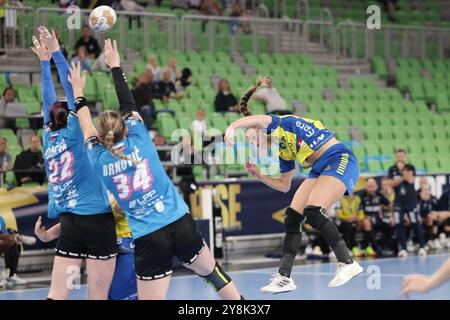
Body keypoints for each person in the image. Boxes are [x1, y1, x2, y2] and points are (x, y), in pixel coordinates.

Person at [68, 39, 243, 300]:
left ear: (103, 136)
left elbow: (86, 126)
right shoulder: (140, 137)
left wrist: (78, 93)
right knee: (213, 274)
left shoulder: (98, 158)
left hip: (149, 238)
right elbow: (128, 103)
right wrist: (115, 66)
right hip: (180, 223)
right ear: (125, 128)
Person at [225, 76, 363, 294]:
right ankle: (284, 278)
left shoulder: (282, 124)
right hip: (319, 168)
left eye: (253, 138)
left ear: (262, 130)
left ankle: (347, 262)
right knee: (293, 216)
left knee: (313, 211)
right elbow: (284, 185)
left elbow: (259, 120)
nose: (253, 143)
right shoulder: (284, 151)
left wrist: (232, 128)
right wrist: (259, 174)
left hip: (339, 158)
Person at [31, 26, 116, 300]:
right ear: (71, 116)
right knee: (98, 295)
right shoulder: (75, 132)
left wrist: (44, 64)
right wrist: (56, 53)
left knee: (57, 294)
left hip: (70, 224)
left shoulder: (49, 136)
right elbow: (70, 88)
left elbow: (47, 102)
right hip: (97, 221)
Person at [35, 195, 138, 300]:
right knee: (103, 294)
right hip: (101, 244)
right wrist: (47, 235)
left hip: (125, 246)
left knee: (118, 293)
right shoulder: (90, 190)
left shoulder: (121, 184)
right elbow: (80, 219)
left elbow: (122, 206)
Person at [386, 149, 426, 257]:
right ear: (395, 157)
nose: (400, 158)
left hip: (411, 201)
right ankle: (403, 248)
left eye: (401, 156)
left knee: (415, 223)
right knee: (399, 224)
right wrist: (401, 178)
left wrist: (402, 171)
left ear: (405, 157)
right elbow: (390, 183)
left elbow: (411, 180)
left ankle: (422, 246)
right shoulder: (392, 169)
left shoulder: (410, 168)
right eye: (398, 156)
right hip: (398, 201)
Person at [358, 178, 392, 257]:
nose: (371, 189)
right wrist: (364, 217)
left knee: (391, 225)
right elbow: (358, 210)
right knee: (368, 225)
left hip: (378, 220)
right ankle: (376, 248)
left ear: (376, 187)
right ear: (366, 187)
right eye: (369, 187)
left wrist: (391, 216)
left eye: (373, 186)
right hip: (367, 221)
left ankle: (383, 245)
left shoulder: (379, 194)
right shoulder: (361, 196)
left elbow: (389, 205)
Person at [0, 215, 36, 286]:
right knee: (10, 241)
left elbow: (3, 233)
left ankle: (11, 275)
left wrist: (10, 238)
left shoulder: (0, 219)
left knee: (15, 245)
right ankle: (18, 237)